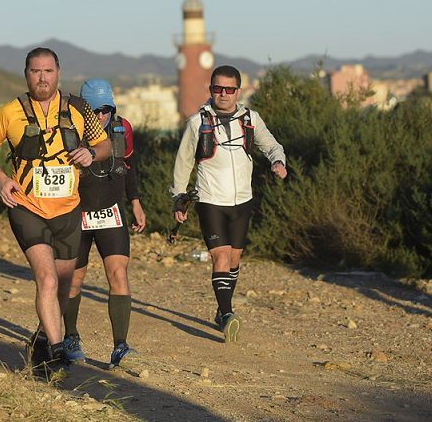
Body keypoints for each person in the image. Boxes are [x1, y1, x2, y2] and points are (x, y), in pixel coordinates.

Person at [0, 47, 112, 374]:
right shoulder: (9, 112)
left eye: (48, 71)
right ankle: (56, 352)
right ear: (26, 74)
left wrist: (91, 153)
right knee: (47, 279)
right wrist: (0, 179)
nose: (42, 77)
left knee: (63, 286)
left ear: (58, 73)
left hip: (67, 209)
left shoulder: (79, 109)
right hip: (27, 206)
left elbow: (106, 145)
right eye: (35, 71)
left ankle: (41, 338)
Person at [171, 64, 287, 343]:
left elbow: (270, 144)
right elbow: (184, 161)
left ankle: (222, 310)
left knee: (234, 258)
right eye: (217, 88)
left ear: (238, 91)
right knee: (220, 256)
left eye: (229, 89)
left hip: (242, 201)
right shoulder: (198, 122)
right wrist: (178, 196)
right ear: (210, 90)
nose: (223, 94)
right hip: (210, 200)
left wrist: (278, 160)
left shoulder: (250, 119)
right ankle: (227, 314)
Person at [62, 78, 147, 369]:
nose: (100, 116)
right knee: (75, 278)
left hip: (111, 211)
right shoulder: (70, 130)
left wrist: (135, 202)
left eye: (105, 109)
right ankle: (71, 337)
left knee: (118, 273)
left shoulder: (123, 128)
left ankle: (120, 346)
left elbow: (129, 167)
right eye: (93, 110)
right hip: (77, 212)